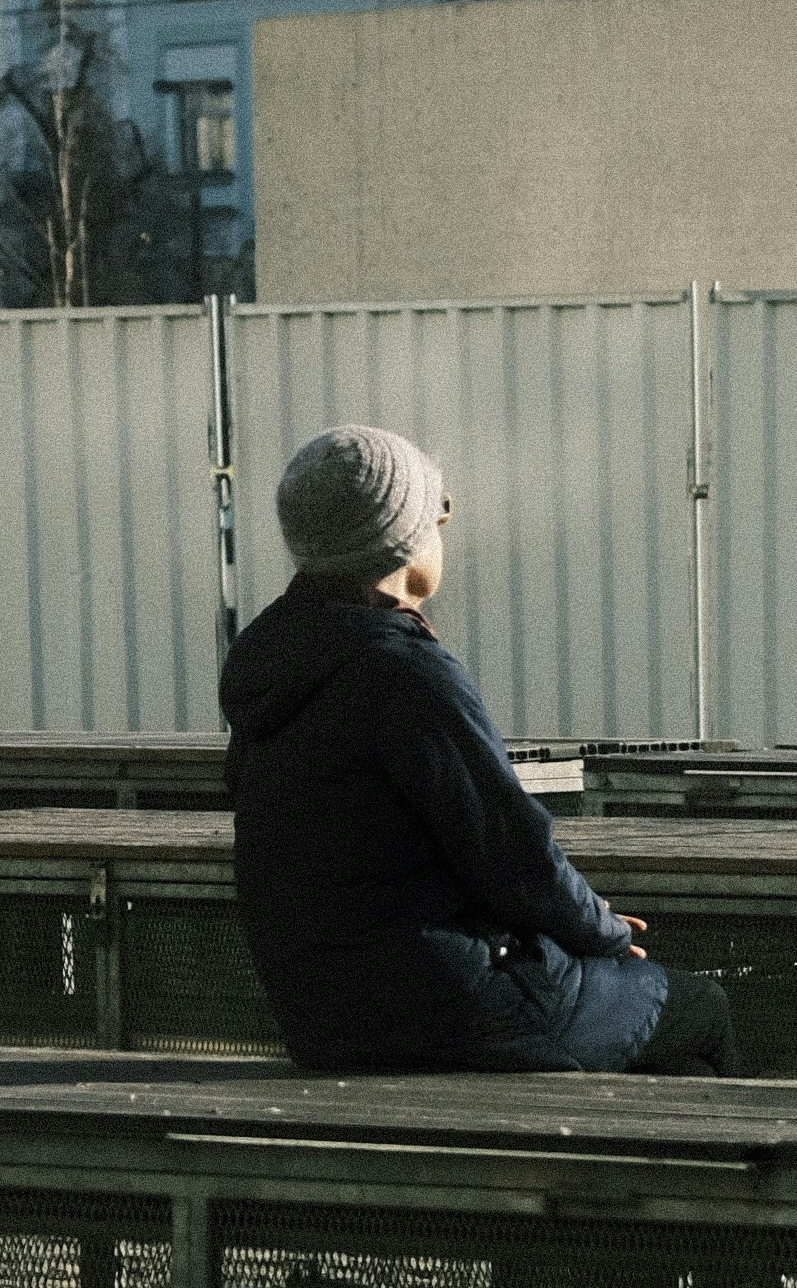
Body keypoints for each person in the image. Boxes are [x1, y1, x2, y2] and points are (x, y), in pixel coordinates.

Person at [222, 423, 738, 1073]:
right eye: (437, 511)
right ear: (401, 538)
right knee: (704, 1010)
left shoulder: (272, 670)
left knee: (672, 1067)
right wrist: (601, 932)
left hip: (326, 1021)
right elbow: (513, 853)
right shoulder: (404, 674)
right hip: (452, 1004)